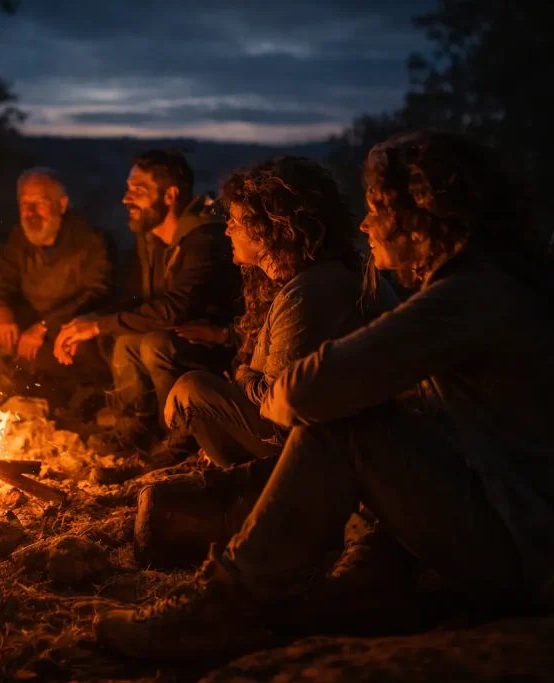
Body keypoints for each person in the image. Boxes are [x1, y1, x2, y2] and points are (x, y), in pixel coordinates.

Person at [95, 130, 554, 660]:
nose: (366, 223)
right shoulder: (505, 278)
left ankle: (225, 608)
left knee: (340, 419)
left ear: (419, 217)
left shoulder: (471, 296)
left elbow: (305, 392)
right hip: (535, 530)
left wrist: (276, 388)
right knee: (364, 413)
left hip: (534, 553)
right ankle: (365, 572)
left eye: (378, 208)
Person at [135, 156, 399, 567]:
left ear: (271, 229)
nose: (228, 229)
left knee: (192, 388)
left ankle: (267, 502)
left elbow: (284, 408)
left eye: (238, 221)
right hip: (319, 445)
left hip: (315, 453)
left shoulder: (311, 292)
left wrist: (238, 379)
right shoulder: (302, 282)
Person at [54, 149, 241, 460]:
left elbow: (177, 307)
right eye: (129, 190)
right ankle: (136, 429)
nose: (127, 200)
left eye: (138, 191)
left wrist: (99, 324)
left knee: (153, 343)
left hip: (223, 345)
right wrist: (91, 322)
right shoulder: (152, 239)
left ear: (170, 195)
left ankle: (183, 438)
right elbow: (143, 302)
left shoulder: (205, 238)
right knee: (126, 341)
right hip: (180, 337)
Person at [0, 167, 112, 386]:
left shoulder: (90, 241)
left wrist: (44, 326)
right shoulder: (19, 238)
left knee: (78, 347)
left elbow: (96, 293)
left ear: (62, 204)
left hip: (68, 326)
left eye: (39, 203)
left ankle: (79, 398)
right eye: (24, 204)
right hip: (29, 325)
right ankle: (8, 392)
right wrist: (2, 311)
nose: (31, 212)